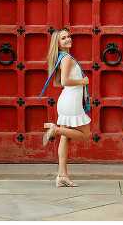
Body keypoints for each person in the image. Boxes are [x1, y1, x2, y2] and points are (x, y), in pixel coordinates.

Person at [40, 29, 92, 187]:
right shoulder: (67, 58)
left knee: (66, 138)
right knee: (85, 134)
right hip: (71, 102)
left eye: (68, 36)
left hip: (66, 100)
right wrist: (83, 82)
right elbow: (64, 81)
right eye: (63, 38)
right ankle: (54, 130)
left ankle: (62, 175)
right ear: (58, 43)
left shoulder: (62, 57)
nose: (68, 39)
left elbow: (57, 83)